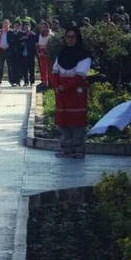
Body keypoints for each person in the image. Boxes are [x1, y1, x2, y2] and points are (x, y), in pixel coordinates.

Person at [50, 27, 91, 159]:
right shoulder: (61, 54)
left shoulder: (84, 55)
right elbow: (54, 72)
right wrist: (56, 86)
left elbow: (79, 78)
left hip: (75, 94)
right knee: (64, 121)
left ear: (77, 38)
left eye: (73, 37)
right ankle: (66, 149)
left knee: (77, 122)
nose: (70, 39)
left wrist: (64, 87)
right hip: (62, 94)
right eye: (68, 36)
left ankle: (78, 149)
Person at [0, 19, 17, 86]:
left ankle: (12, 81)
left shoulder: (11, 32)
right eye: (4, 23)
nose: (5, 25)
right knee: (0, 66)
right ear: (2, 24)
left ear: (9, 24)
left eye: (7, 23)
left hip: (9, 51)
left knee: (10, 67)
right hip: (1, 50)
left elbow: (14, 42)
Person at [36, 22, 54, 88]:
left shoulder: (51, 35)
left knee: (49, 68)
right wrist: (38, 52)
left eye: (44, 27)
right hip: (41, 53)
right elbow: (39, 44)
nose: (43, 28)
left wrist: (46, 53)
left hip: (48, 53)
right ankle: (44, 82)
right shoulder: (40, 34)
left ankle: (50, 83)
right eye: (42, 27)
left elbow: (52, 46)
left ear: (48, 27)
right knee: (42, 68)